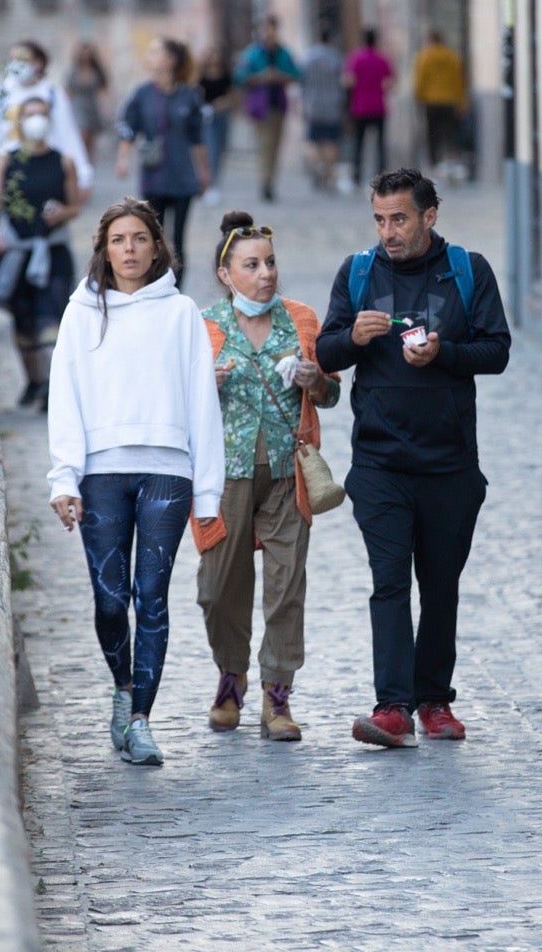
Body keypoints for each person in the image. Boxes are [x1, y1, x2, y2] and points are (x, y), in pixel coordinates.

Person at [317, 168, 511, 748]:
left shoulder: (467, 271)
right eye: (379, 219)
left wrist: (444, 353)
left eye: (399, 218)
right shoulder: (358, 273)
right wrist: (352, 337)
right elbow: (325, 351)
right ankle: (393, 706)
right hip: (379, 462)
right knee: (389, 581)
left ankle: (433, 700)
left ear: (430, 215)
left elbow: (497, 351)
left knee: (442, 584)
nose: (388, 231)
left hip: (450, 464)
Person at [47, 199, 226, 767]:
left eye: (139, 239)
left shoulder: (180, 313)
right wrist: (64, 478)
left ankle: (143, 718)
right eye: (118, 240)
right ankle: (122, 688)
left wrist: (209, 493)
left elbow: (202, 402)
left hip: (167, 471)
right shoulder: (81, 312)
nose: (129, 249)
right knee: (109, 599)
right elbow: (64, 399)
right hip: (100, 473)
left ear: (156, 247)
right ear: (104, 249)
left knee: (152, 598)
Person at [189, 212, 341, 740]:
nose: (266, 274)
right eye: (251, 265)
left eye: (271, 263)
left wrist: (312, 378)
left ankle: (277, 698)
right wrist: (203, 384)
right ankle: (231, 677)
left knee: (286, 586)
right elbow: (177, 403)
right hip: (223, 475)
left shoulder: (300, 320)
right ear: (227, 274)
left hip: (286, 474)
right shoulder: (202, 327)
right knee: (217, 587)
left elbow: (332, 391)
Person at [0, 96, 87, 410]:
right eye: (30, 114)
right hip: (16, 252)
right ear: (19, 120)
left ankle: (53, 389)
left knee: (51, 321)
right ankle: (34, 381)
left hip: (52, 251)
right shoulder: (6, 160)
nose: (36, 120)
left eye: (41, 114)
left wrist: (61, 213)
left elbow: (75, 206)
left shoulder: (62, 160)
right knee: (23, 322)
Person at [115, 37, 210, 287]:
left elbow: (197, 138)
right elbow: (128, 129)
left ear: (170, 60)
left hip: (182, 177)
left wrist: (203, 172)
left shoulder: (189, 95)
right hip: (153, 177)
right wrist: (123, 159)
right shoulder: (142, 94)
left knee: (177, 239)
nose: (150, 56)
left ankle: (176, 289)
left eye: (155, 52)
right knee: (151, 236)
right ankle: (154, 285)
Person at [0, 39, 91, 190]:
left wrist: (82, 175)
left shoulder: (52, 94)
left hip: (45, 170)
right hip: (7, 170)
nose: (17, 64)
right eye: (13, 59)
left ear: (38, 63)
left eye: (23, 60)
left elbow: (67, 134)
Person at [233, 14, 301, 203]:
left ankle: (270, 180)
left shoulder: (283, 53)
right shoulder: (253, 53)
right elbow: (240, 77)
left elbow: (295, 75)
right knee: (265, 145)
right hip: (259, 106)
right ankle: (265, 181)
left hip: (278, 104)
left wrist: (278, 76)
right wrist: (262, 77)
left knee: (275, 145)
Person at [342, 27, 394, 192]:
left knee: (358, 143)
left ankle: (356, 177)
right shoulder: (382, 59)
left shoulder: (356, 58)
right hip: (378, 106)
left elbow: (349, 81)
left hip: (360, 107)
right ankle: (382, 177)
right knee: (380, 144)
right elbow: (391, 81)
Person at [412, 30, 467, 181]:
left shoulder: (425, 56)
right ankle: (449, 163)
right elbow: (459, 80)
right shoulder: (451, 56)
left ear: (431, 41)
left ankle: (434, 165)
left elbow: (420, 79)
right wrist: (462, 102)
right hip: (449, 100)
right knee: (449, 134)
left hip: (431, 101)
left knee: (432, 135)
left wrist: (418, 97)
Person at [300, 24, 346, 191]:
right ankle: (328, 172)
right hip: (332, 104)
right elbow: (343, 80)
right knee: (331, 142)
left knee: (312, 141)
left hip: (313, 104)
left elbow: (301, 81)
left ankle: (317, 166)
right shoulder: (336, 57)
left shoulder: (307, 57)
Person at [196, 46, 236, 205]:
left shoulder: (226, 75)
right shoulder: (202, 76)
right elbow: (196, 96)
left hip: (222, 117)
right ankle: (207, 185)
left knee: (220, 151)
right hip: (206, 118)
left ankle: (214, 184)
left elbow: (233, 96)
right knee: (209, 151)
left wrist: (221, 104)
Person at [64, 41, 111, 170]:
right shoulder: (73, 71)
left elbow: (104, 90)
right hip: (78, 106)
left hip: (92, 106)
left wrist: (106, 107)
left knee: (90, 139)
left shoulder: (96, 71)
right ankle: (80, 164)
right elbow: (68, 90)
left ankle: (87, 167)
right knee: (82, 134)